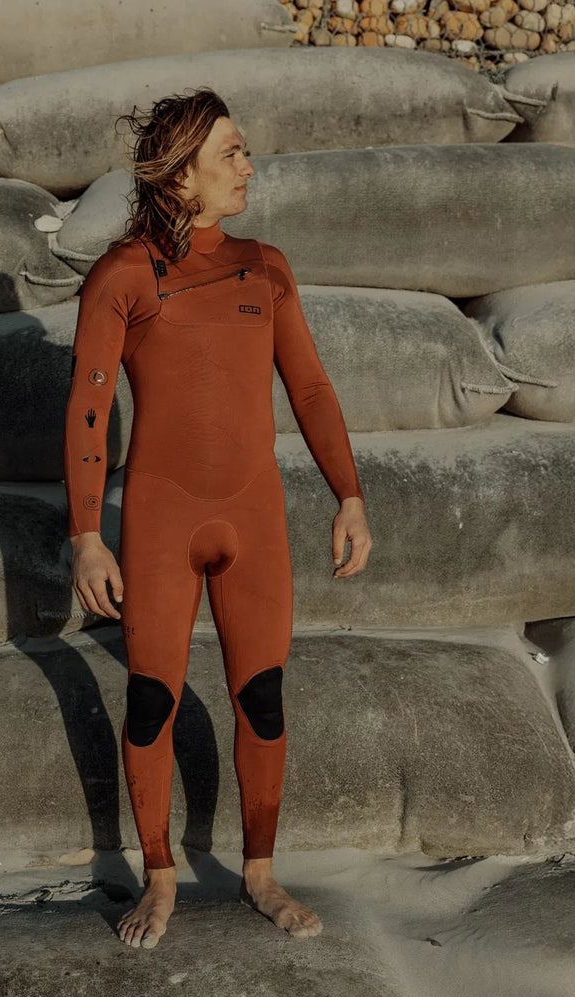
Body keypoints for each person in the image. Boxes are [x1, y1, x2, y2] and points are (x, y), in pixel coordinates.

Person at [62, 88, 371, 950]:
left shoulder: (266, 267)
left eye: (244, 151)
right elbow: (87, 410)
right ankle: (160, 876)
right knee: (152, 698)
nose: (248, 167)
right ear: (181, 176)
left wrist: (349, 495)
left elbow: (310, 387)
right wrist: (86, 537)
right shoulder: (124, 275)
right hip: (161, 522)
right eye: (230, 153)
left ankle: (260, 873)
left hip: (254, 520)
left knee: (262, 697)